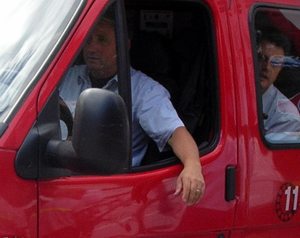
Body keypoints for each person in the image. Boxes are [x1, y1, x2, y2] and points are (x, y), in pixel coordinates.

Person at [59, 17, 205, 205]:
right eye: (89, 39)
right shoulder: (66, 75)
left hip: (108, 191)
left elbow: (176, 133)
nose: (92, 48)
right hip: (56, 174)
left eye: (102, 40)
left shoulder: (145, 90)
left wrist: (193, 165)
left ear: (123, 45)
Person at [256, 30, 300, 138]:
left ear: (281, 67)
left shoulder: (286, 117)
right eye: (261, 58)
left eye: (275, 62)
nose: (267, 67)